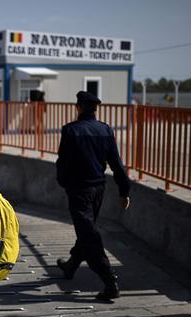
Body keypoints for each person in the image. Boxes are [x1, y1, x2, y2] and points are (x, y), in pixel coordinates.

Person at [55, 91, 131, 301]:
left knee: (89, 234)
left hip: (78, 190)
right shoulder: (105, 130)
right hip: (99, 189)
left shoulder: (70, 130)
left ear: (78, 107)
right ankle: (71, 266)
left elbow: (62, 163)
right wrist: (124, 190)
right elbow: (116, 164)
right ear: (95, 109)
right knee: (86, 229)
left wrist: (64, 183)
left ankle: (109, 282)